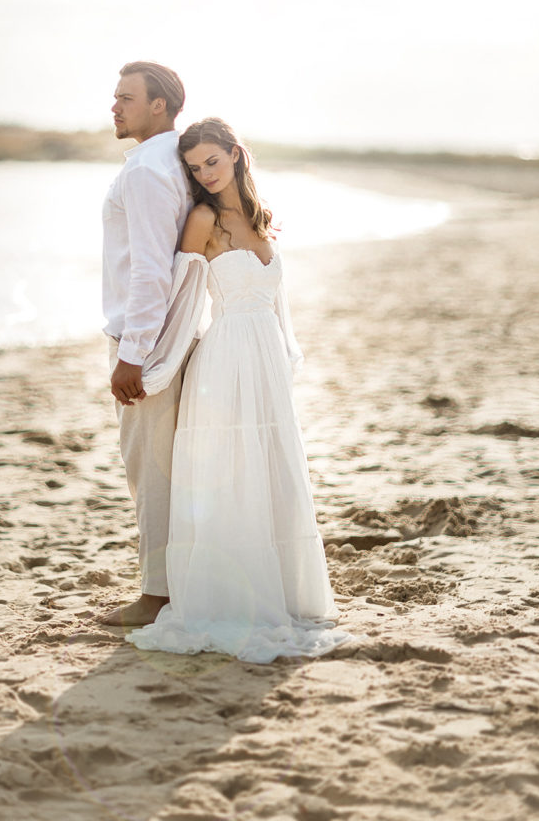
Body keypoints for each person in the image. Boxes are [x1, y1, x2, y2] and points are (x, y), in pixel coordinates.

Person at [124, 118, 352, 662]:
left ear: (235, 154)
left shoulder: (259, 217)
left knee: (268, 466)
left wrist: (285, 357)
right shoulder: (202, 219)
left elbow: (277, 303)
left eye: (212, 161)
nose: (205, 174)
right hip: (224, 358)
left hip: (265, 359)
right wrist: (152, 364)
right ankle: (225, 597)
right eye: (195, 168)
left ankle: (278, 591)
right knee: (229, 469)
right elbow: (181, 299)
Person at [98, 61, 193, 627]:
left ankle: (157, 596)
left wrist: (131, 354)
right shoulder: (176, 160)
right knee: (171, 465)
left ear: (160, 105)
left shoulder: (147, 170)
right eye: (115, 97)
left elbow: (151, 270)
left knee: (151, 470)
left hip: (151, 344)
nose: (114, 107)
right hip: (174, 333)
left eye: (126, 98)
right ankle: (175, 583)